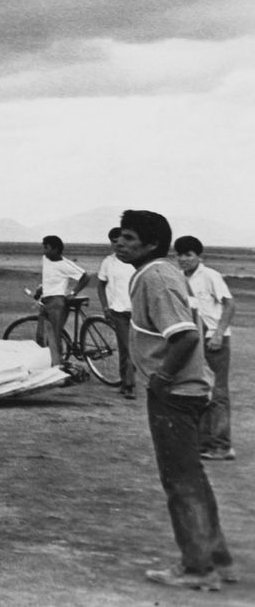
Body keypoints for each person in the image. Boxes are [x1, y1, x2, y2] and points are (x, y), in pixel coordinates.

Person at [117, 210, 234, 590]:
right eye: (119, 236)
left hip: (176, 393)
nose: (119, 242)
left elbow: (184, 336)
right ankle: (217, 560)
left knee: (180, 482)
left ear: (151, 244)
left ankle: (198, 568)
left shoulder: (156, 278)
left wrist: (162, 379)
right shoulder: (162, 273)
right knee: (192, 479)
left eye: (129, 238)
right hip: (188, 390)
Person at [175, 236, 236, 462]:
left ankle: (221, 445)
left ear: (199, 256)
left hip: (215, 340)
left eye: (188, 254)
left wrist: (219, 334)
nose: (183, 259)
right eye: (179, 255)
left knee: (218, 393)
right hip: (195, 341)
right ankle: (203, 443)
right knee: (198, 391)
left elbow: (229, 304)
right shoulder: (179, 279)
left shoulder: (210, 275)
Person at [95, 226, 136, 399]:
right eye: (114, 242)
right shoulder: (108, 262)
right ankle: (128, 384)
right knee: (125, 347)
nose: (117, 244)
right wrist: (105, 307)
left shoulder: (135, 260)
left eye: (120, 240)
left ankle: (127, 382)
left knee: (133, 348)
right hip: (118, 311)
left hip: (137, 311)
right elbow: (100, 285)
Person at [36, 235, 89, 371]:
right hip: (45, 300)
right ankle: (48, 364)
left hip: (57, 302)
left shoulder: (65, 264)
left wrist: (73, 293)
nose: (44, 251)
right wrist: (41, 288)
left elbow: (85, 277)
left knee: (54, 335)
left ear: (56, 249)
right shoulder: (46, 260)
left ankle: (59, 368)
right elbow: (49, 277)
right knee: (41, 335)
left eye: (46, 248)